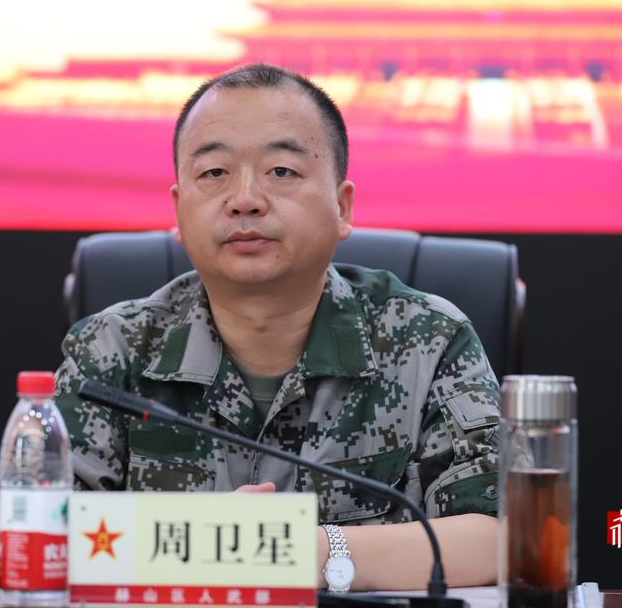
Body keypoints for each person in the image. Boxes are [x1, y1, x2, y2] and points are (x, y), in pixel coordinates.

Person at [53, 64, 500, 590]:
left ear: (342, 206)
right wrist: (214, 540)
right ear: (178, 210)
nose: (245, 198)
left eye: (282, 171)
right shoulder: (111, 349)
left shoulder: (429, 339)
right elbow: (21, 530)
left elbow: (499, 537)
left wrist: (300, 549)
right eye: (214, 173)